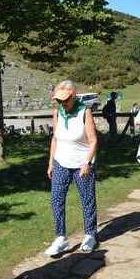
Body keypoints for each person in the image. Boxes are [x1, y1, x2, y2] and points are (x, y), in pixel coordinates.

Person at [46, 80, 98, 255]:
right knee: (56, 200)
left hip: (81, 164)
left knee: (87, 199)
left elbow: (93, 141)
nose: (62, 103)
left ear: (73, 96)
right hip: (61, 161)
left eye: (65, 100)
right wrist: (51, 162)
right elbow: (55, 138)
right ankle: (60, 238)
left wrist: (88, 163)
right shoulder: (57, 112)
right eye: (59, 100)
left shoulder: (85, 111)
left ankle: (90, 234)